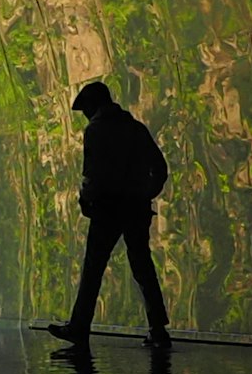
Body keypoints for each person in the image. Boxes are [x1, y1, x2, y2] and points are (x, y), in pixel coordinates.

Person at [45, 78, 169, 346]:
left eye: (86, 109)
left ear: (94, 106)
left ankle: (79, 327)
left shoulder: (96, 131)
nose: (86, 115)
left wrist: (86, 200)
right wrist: (146, 193)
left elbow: (92, 174)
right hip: (136, 209)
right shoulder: (135, 129)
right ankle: (158, 329)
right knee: (143, 267)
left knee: (93, 270)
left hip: (107, 210)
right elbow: (159, 167)